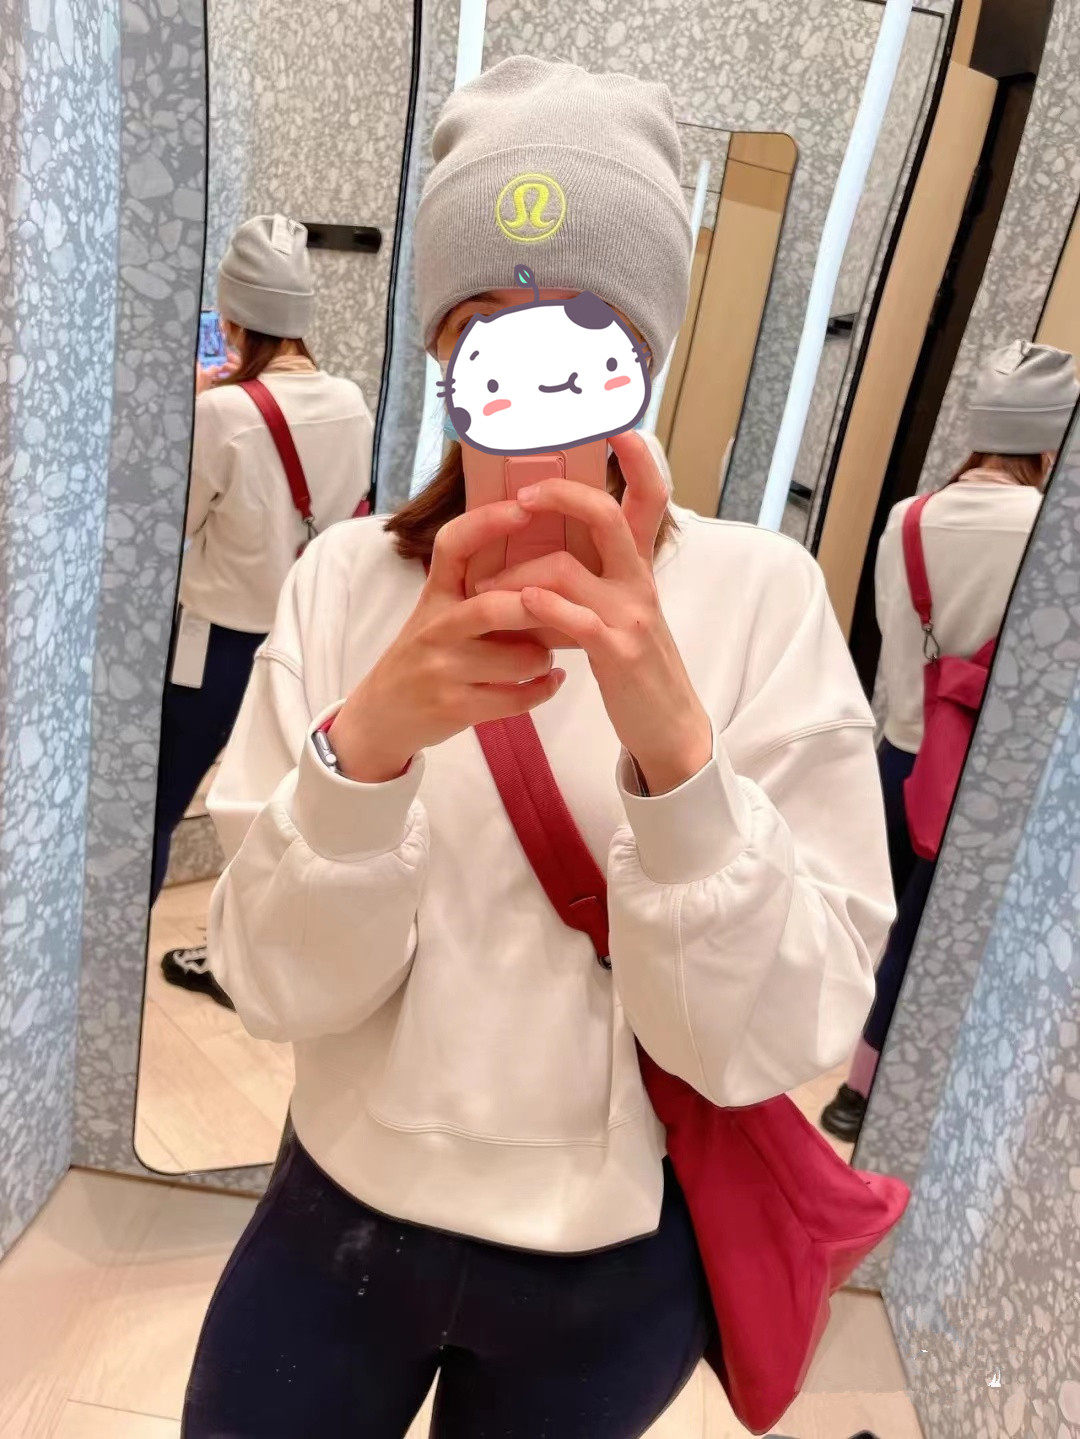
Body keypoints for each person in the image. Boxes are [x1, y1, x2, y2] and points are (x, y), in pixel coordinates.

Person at [181, 59, 894, 1438]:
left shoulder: (760, 597)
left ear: (643, 354)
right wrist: (369, 748)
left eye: (585, 331)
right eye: (486, 334)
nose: (539, 384)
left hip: (609, 1266)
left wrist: (675, 749)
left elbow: (773, 1035)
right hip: (337, 1216)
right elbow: (269, 984)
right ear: (444, 359)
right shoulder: (345, 583)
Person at [822, 340, 1079, 1142]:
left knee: (871, 921)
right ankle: (864, 1092)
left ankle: (825, 1058)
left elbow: (890, 633)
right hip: (981, 776)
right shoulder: (1051, 533)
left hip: (898, 754)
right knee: (931, 940)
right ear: (1049, 445)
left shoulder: (909, 518)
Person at [153, 215, 373, 1004]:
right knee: (271, 811)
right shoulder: (350, 402)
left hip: (213, 646)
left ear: (233, 322)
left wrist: (196, 410)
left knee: (157, 805)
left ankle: (107, 955)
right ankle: (239, 961)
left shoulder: (223, 414)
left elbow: (174, 524)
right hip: (306, 641)